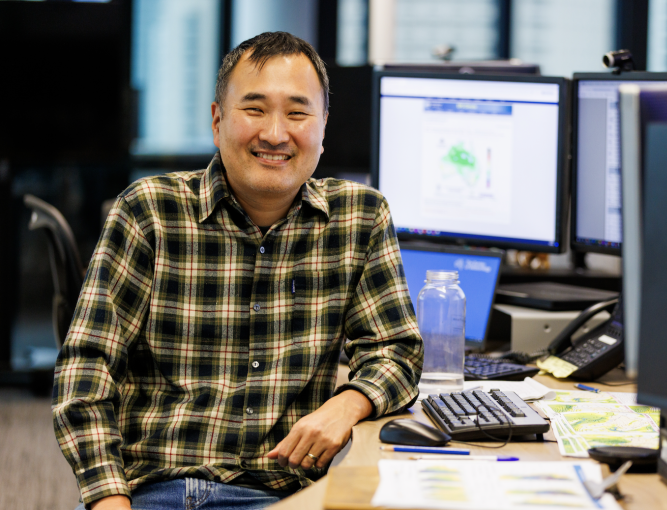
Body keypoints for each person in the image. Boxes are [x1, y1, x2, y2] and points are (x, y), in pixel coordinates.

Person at [52, 32, 423, 510]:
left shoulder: (360, 217)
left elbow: (397, 350)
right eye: (254, 109)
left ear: (323, 125)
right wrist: (108, 500)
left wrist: (347, 403)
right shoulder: (149, 211)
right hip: (162, 490)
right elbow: (85, 371)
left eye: (297, 112)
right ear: (217, 119)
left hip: (290, 493)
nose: (274, 133)